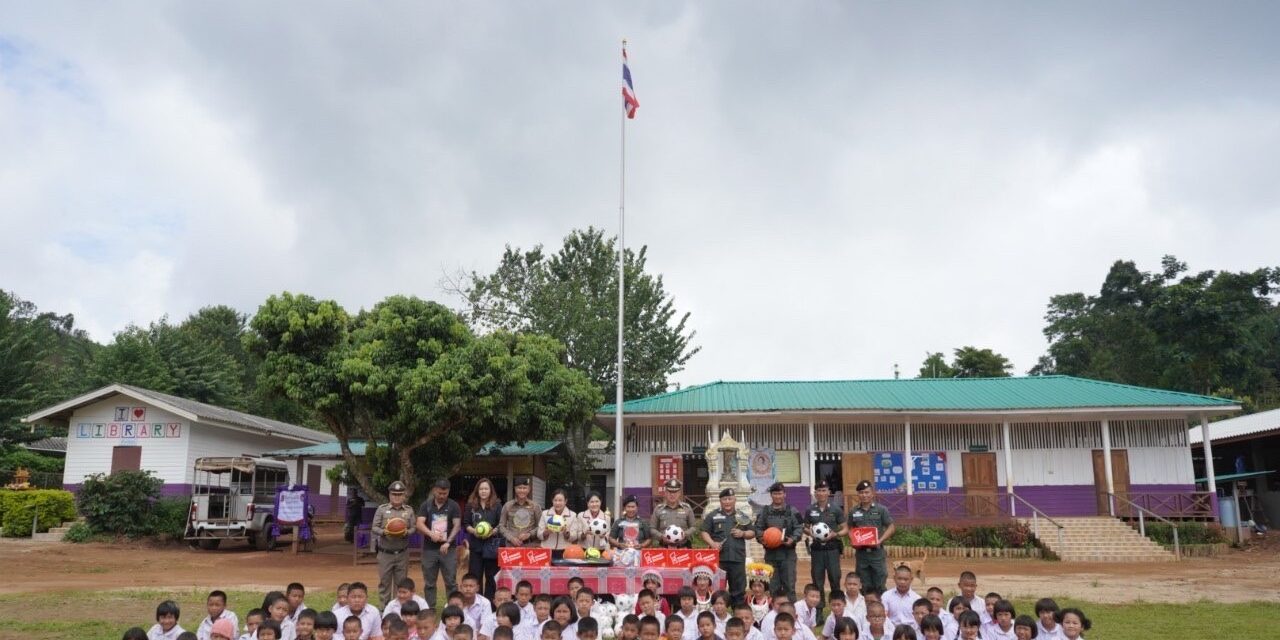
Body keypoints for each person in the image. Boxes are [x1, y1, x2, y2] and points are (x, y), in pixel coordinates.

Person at [700, 488, 754, 606]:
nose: (727, 502)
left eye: (730, 499)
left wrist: (743, 533)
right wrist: (712, 543)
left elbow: (752, 532)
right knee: (717, 590)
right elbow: (704, 532)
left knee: (738, 591)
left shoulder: (741, 516)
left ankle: (737, 614)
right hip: (719, 560)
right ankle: (717, 614)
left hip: (737, 559)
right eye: (724, 499)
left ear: (735, 500)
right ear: (720, 501)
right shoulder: (713, 515)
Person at [754, 482, 803, 602]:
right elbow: (758, 528)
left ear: (784, 494)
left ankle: (790, 611)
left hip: (788, 555)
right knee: (773, 587)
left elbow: (799, 528)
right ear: (771, 495)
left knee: (789, 587)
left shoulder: (792, 511)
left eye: (780, 493)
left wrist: (793, 539)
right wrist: (762, 539)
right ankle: (774, 612)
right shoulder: (764, 511)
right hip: (771, 555)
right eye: (775, 494)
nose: (777, 496)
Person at [418, 479, 463, 608]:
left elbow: (457, 525)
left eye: (445, 493)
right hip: (429, 549)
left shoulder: (453, 506)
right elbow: (419, 523)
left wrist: (448, 542)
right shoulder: (426, 505)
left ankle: (453, 608)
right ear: (434, 490)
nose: (442, 496)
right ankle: (430, 609)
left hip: (448, 549)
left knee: (451, 582)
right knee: (429, 583)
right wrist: (430, 533)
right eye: (439, 493)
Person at [803, 481, 845, 615]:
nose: (821, 493)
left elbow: (845, 528)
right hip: (817, 551)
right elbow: (805, 527)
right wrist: (812, 533)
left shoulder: (836, 509)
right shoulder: (810, 509)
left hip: (832, 550)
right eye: (819, 491)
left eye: (824, 490)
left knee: (835, 579)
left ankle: (837, 610)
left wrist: (835, 534)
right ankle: (819, 611)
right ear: (815, 493)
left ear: (828, 492)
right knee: (817, 581)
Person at [846, 482, 894, 595]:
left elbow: (891, 527)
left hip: (877, 553)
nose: (864, 495)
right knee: (864, 585)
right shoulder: (853, 511)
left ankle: (881, 606)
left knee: (880, 584)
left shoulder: (881, 509)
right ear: (858, 494)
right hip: (861, 554)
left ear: (872, 493)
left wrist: (880, 540)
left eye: (867, 492)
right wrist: (853, 539)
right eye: (861, 492)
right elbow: (848, 528)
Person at [375, 482, 418, 607]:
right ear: (389, 495)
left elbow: (414, 527)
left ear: (404, 495)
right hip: (385, 553)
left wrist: (407, 532)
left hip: (402, 553)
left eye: (399, 494)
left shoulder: (409, 510)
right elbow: (374, 527)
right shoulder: (382, 509)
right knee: (384, 583)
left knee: (401, 584)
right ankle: (384, 609)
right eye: (394, 494)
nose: (397, 497)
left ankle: (399, 608)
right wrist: (384, 532)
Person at [466, 478, 504, 600]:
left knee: (491, 578)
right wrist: (474, 531)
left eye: (486, 489)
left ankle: (490, 604)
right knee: (475, 577)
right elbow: (466, 523)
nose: (483, 491)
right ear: (477, 490)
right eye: (481, 489)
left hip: (491, 547)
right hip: (476, 546)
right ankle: (476, 603)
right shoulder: (470, 505)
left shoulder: (497, 505)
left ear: (490, 490)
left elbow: (501, 524)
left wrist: (493, 531)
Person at [650, 479, 696, 548]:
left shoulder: (687, 508)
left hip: (683, 548)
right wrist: (661, 536)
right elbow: (652, 528)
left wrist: (684, 534)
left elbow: (693, 527)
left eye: (675, 492)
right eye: (669, 492)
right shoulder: (658, 509)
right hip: (664, 548)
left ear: (679, 493)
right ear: (665, 492)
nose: (672, 494)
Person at [500, 477, 543, 548]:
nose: (522, 490)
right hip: (511, 545)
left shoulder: (535, 506)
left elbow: (541, 526)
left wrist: (529, 534)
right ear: (515, 489)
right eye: (519, 488)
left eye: (524, 488)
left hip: (531, 545)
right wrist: (511, 538)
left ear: (529, 489)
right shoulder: (507, 506)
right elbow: (501, 526)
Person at [539, 489, 580, 556]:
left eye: (560, 500)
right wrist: (546, 532)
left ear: (565, 501)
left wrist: (566, 533)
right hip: (547, 549)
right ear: (552, 501)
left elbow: (574, 537)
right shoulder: (545, 514)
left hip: (565, 550)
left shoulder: (573, 515)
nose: (557, 503)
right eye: (555, 500)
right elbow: (539, 534)